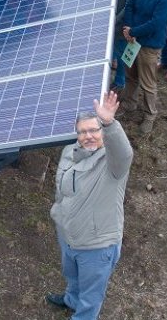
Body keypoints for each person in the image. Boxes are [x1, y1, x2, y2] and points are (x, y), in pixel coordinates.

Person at [46, 91, 133, 319]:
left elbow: (124, 153)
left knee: (91, 296)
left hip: (96, 246)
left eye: (94, 130)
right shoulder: (69, 152)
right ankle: (70, 300)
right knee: (72, 277)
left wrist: (109, 122)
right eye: (83, 131)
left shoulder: (113, 164)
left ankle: (82, 314)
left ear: (102, 132)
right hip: (68, 235)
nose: (89, 136)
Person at [121, 0, 167, 134]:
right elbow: (130, 6)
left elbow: (157, 23)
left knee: (147, 82)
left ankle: (149, 115)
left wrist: (134, 31)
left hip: (149, 45)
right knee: (130, 75)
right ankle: (129, 104)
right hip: (132, 39)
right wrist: (128, 29)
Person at [111, 0, 144, 91]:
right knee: (113, 52)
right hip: (111, 21)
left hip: (121, 25)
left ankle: (120, 83)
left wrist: (114, 21)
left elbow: (129, 6)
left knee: (121, 55)